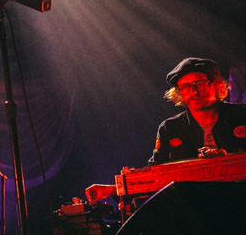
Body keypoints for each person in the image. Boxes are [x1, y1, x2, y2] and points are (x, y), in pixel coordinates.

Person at [86, 57, 246, 203]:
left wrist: (226, 161)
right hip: (195, 213)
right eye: (186, 87)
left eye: (200, 84)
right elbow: (155, 176)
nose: (194, 92)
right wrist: (114, 189)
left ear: (215, 84)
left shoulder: (241, 115)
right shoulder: (170, 128)